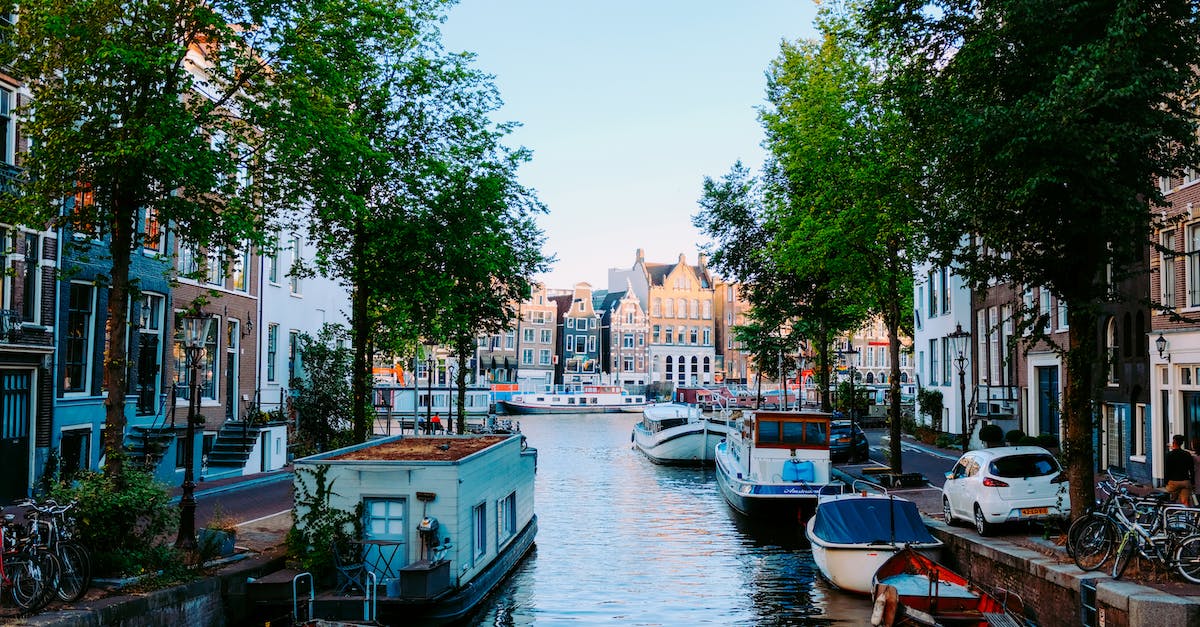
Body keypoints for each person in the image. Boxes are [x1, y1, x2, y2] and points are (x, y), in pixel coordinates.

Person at [1165, 434, 1195, 505]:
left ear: (1174, 442)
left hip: (1173, 482)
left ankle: (1171, 513)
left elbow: (1167, 469)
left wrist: (1166, 481)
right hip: (1185, 481)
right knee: (1185, 502)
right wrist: (1192, 481)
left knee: (1171, 501)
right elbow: (1191, 469)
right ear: (1182, 443)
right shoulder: (1187, 454)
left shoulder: (1169, 455)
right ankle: (1186, 514)